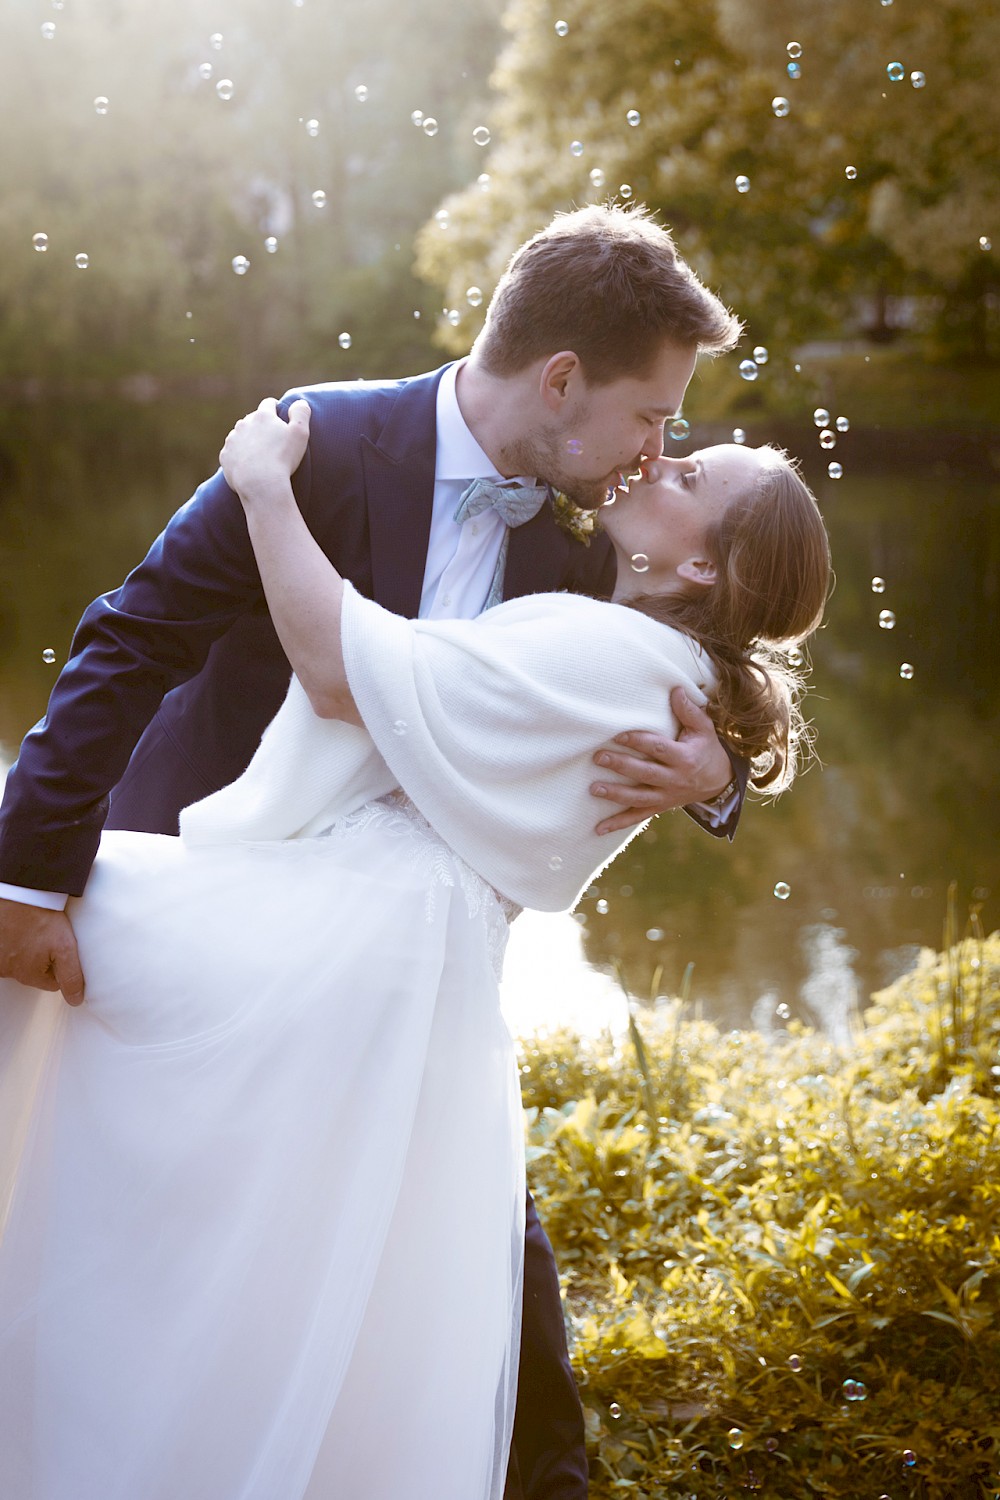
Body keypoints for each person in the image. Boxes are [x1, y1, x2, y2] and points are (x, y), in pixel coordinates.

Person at [0, 203, 747, 1500]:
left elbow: (688, 664)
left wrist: (720, 774)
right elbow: (129, 640)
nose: (658, 449)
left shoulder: (567, 548)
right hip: (206, 889)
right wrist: (29, 876)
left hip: (395, 966)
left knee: (465, 1256)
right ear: (562, 381)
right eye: (652, 414)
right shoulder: (318, 445)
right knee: (112, 1211)